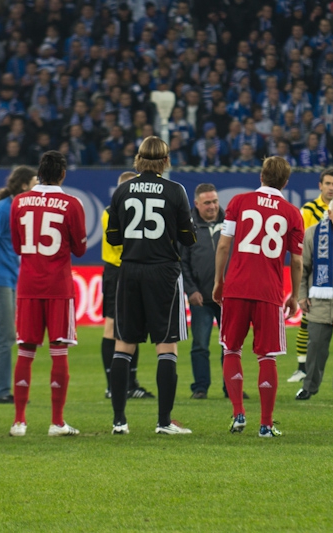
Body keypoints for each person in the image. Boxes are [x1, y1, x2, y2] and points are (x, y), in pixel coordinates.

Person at [106, 136, 197, 435]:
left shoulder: (122, 190)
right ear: (165, 160)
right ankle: (163, 422)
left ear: (139, 159)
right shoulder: (175, 191)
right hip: (163, 273)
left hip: (129, 270)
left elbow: (114, 238)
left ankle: (119, 422)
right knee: (166, 345)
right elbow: (188, 237)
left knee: (124, 345)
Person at [213, 156, 304, 437]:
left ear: (261, 176)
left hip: (237, 288)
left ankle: (238, 412)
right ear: (286, 182)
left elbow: (224, 245)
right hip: (269, 292)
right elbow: (298, 261)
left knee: (231, 348)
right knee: (267, 356)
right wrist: (294, 295)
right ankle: (265, 424)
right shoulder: (292, 213)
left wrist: (219, 281)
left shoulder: (239, 202)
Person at [9, 151, 86, 437]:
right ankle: (57, 422)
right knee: (59, 350)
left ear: (38, 173)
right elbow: (79, 249)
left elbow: (17, 247)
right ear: (62, 174)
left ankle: (19, 422)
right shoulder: (71, 203)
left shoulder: (19, 201)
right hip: (57, 287)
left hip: (28, 286)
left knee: (25, 351)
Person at [180, 183, 247, 400]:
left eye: (215, 201)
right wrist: (191, 290)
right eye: (207, 202)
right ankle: (200, 387)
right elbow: (182, 262)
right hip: (201, 297)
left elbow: (239, 256)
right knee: (200, 344)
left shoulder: (230, 222)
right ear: (196, 204)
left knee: (231, 345)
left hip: (228, 296)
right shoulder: (187, 226)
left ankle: (231, 388)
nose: (212, 206)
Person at [295, 197, 333, 401]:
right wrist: (301, 295)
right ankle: (309, 387)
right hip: (320, 302)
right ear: (329, 214)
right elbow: (302, 268)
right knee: (315, 349)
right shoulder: (312, 233)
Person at [100, 171, 154, 400]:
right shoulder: (114, 212)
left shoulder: (114, 211)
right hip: (118, 270)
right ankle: (114, 385)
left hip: (125, 270)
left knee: (133, 326)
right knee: (113, 327)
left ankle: (129, 384)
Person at [289, 168, 333, 384]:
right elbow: (302, 242)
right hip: (317, 273)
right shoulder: (308, 210)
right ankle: (302, 367)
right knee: (307, 320)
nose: (331, 187)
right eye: (328, 183)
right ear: (320, 186)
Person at [0, 167, 36, 405]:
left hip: (8, 276)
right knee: (4, 335)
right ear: (25, 185)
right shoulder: (2, 209)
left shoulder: (14, 207)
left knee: (5, 334)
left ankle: (0, 389)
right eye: (35, 182)